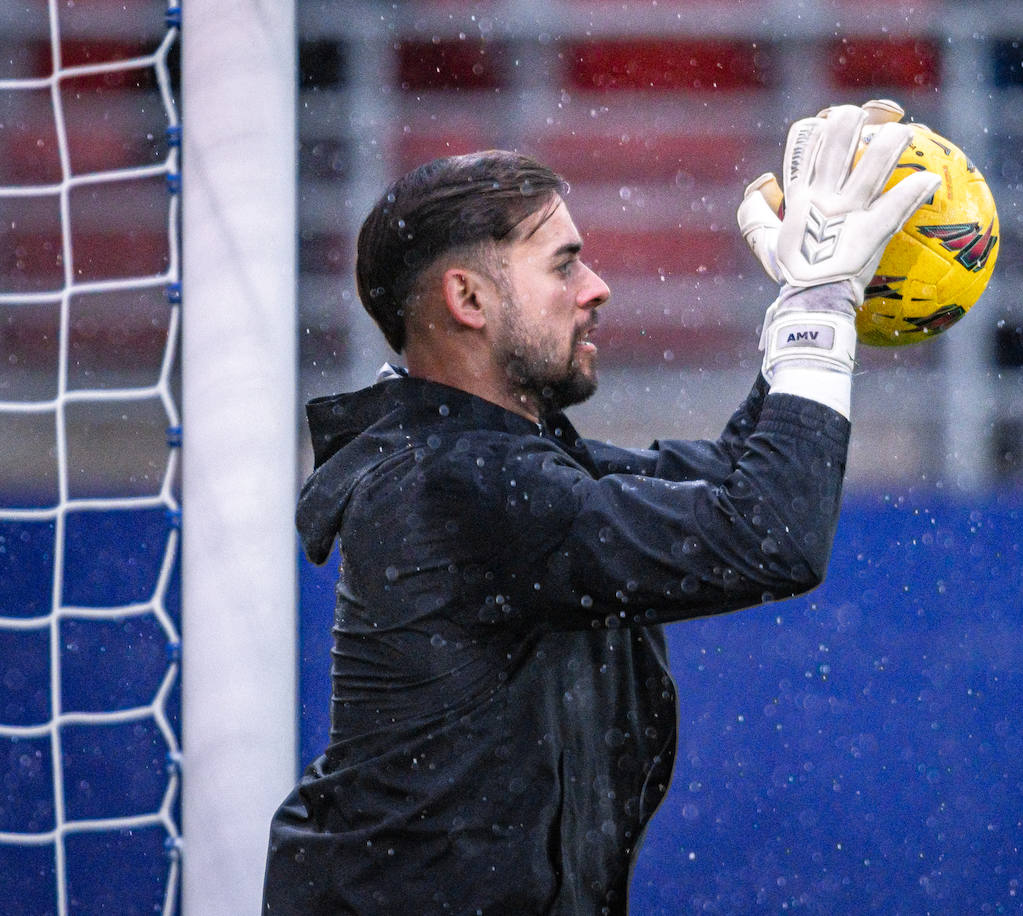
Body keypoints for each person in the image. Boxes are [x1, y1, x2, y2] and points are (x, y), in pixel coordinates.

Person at [262, 101, 940, 914]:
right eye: (563, 265)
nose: (597, 288)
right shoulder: (459, 485)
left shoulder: (498, 463)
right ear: (468, 299)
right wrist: (817, 305)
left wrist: (816, 296)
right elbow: (769, 535)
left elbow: (736, 481)